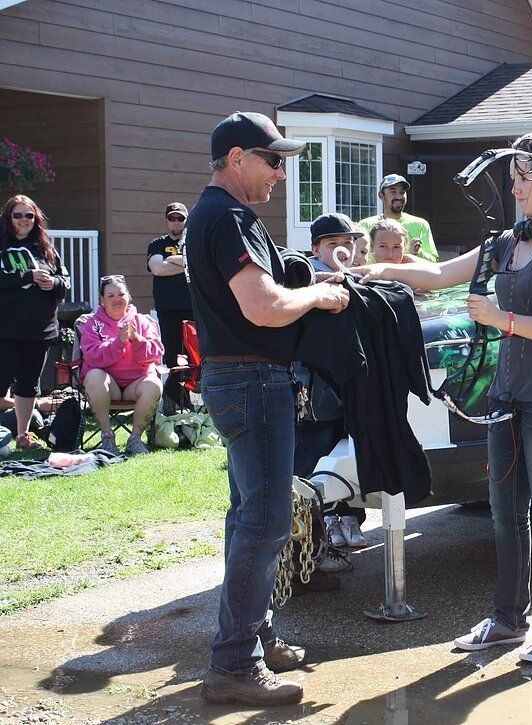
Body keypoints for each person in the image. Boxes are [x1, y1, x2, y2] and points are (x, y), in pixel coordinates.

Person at [357, 133, 532, 663]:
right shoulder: (506, 241)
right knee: (504, 510)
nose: (513, 185)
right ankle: (509, 620)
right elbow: (441, 273)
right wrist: (379, 270)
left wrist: (499, 318)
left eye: (523, 176)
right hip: (507, 394)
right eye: (512, 176)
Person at [187, 111, 349, 707]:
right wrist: (322, 295)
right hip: (252, 381)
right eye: (272, 160)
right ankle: (233, 664)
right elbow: (262, 307)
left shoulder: (218, 215)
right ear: (236, 158)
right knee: (264, 522)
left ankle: (253, 637)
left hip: (240, 381)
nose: (281, 173)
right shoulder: (227, 217)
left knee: (248, 517)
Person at [295, 212, 369, 558]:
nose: (342, 250)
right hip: (315, 392)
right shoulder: (300, 278)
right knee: (313, 458)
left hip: (352, 387)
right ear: (315, 248)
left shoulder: (362, 278)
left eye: (348, 244)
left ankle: (349, 518)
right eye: (333, 244)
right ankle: (313, 536)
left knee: (353, 455)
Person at [0, 195, 70, 452]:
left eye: (28, 215)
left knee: (28, 384)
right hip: (5, 328)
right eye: (17, 215)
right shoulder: (2, 245)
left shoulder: (46, 249)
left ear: (35, 219)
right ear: (8, 218)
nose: (23, 220)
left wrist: (53, 284)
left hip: (39, 329)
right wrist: (27, 276)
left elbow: (65, 283)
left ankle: (23, 436)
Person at [79, 275, 164, 455]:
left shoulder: (143, 321)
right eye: (110, 296)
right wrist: (119, 342)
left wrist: (136, 339)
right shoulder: (92, 324)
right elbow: (92, 357)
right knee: (93, 376)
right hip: (108, 386)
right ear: (102, 300)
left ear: (128, 297)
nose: (117, 299)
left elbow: (156, 353)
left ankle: (135, 440)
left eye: (121, 294)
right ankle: (107, 437)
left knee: (154, 384)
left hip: (137, 383)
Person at [146, 201, 193, 413]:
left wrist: (171, 261)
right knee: (172, 356)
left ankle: (188, 401)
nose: (176, 222)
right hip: (168, 309)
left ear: (185, 220)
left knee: (193, 357)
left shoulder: (193, 243)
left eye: (180, 218)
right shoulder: (157, 244)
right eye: (172, 218)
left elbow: (196, 263)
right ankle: (173, 400)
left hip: (193, 308)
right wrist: (183, 262)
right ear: (167, 220)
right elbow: (157, 268)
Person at [359, 174, 439, 262]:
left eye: (402, 192)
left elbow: (434, 261)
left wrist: (418, 253)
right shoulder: (365, 225)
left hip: (409, 276)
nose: (399, 197)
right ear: (381, 195)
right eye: (393, 192)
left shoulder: (420, 224)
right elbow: (357, 256)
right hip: (374, 275)